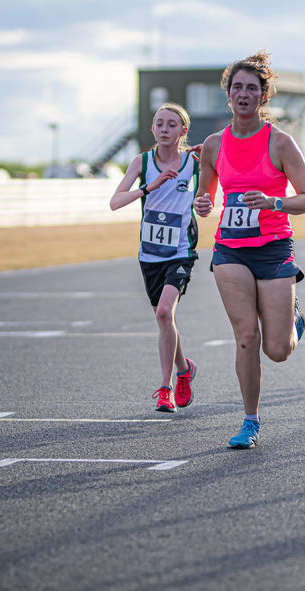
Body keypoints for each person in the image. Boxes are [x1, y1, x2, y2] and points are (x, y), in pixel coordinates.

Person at [193, 51, 305, 449]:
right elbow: (205, 196)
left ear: (264, 97)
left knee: (277, 350)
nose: (244, 94)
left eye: (252, 88)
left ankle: (293, 319)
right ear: (227, 95)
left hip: (274, 246)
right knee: (246, 335)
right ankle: (250, 421)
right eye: (237, 88)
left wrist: (273, 202)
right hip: (230, 249)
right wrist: (202, 204)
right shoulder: (213, 145)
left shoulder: (280, 143)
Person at [110, 102, 199, 413]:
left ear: (183, 131)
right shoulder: (142, 162)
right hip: (150, 253)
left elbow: (227, 150)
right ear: (152, 129)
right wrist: (149, 187)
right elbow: (115, 202)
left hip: (181, 250)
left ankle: (166, 388)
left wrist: (206, 202)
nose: (164, 129)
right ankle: (185, 368)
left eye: (172, 124)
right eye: (159, 123)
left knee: (164, 313)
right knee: (166, 320)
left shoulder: (195, 162)